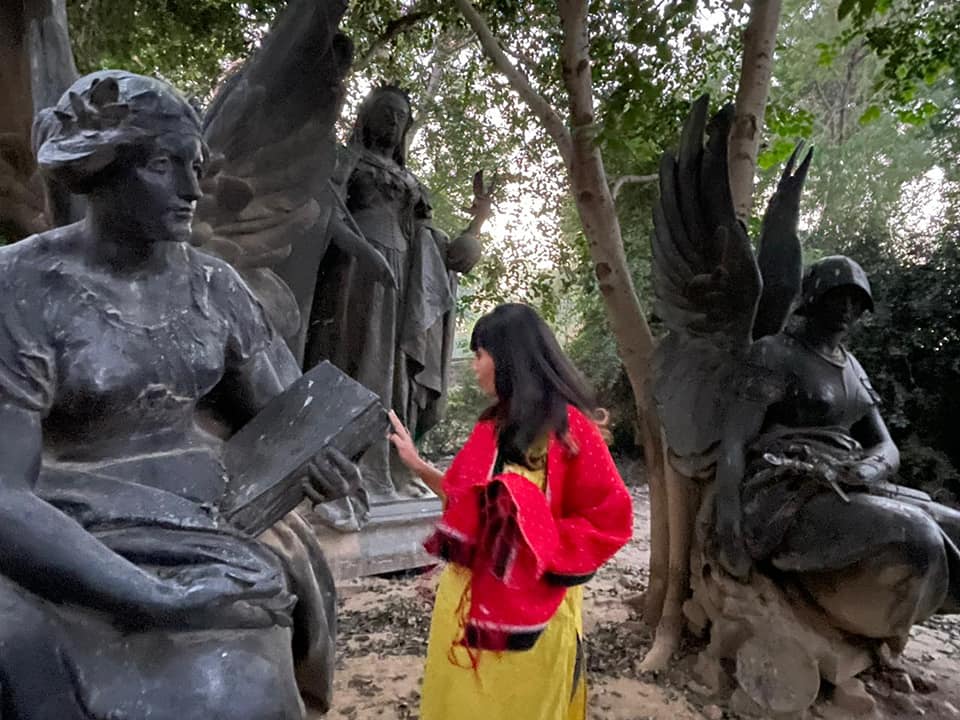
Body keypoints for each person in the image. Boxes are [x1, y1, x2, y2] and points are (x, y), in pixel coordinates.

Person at [0, 70, 359, 719]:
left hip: (208, 524)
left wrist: (322, 462)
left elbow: (288, 422)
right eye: (167, 165)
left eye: (194, 165)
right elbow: (4, 496)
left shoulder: (215, 287)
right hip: (70, 533)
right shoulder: (21, 287)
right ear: (101, 167)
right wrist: (148, 595)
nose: (194, 189)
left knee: (243, 677)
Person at [388, 303, 634, 720]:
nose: (475, 367)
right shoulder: (490, 429)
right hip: (464, 609)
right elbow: (462, 501)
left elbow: (610, 518)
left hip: (534, 613)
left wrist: (535, 536)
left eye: (479, 355)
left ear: (506, 358)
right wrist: (416, 464)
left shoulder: (570, 431)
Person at [715, 256, 960, 641]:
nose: (848, 309)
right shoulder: (774, 354)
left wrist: (870, 468)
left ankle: (882, 620)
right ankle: (864, 622)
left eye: (857, 301)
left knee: (954, 528)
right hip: (786, 489)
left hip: (850, 480)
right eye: (837, 297)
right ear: (813, 298)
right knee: (919, 535)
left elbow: (885, 445)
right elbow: (734, 440)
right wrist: (727, 517)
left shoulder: (854, 368)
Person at [308, 85, 488, 517]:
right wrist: (363, 252)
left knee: (394, 375)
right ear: (367, 115)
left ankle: (388, 468)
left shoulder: (411, 181)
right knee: (357, 361)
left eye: (400, 116)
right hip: (353, 273)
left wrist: (477, 223)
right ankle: (344, 470)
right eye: (385, 112)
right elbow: (323, 212)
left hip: (404, 281)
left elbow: (436, 245)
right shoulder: (347, 160)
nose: (392, 122)